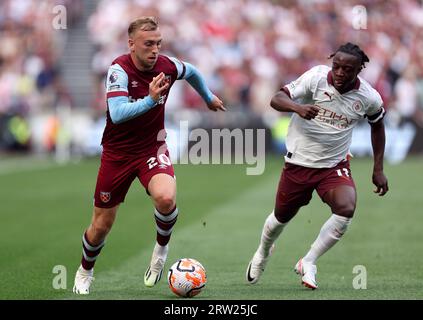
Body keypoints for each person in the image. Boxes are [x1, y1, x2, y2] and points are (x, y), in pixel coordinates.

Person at [73, 16, 225, 295]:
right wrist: (151, 100)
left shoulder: (167, 65)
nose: (155, 50)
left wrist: (207, 96)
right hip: (117, 154)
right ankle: (85, 270)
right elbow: (117, 115)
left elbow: (190, 71)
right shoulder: (119, 70)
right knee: (101, 225)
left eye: (158, 43)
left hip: (152, 147)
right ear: (131, 44)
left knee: (166, 198)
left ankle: (161, 251)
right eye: (148, 44)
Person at [246, 42, 388, 289]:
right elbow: (276, 98)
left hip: (334, 165)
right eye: (337, 66)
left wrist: (378, 168)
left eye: (347, 69)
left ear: (359, 70)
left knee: (346, 208)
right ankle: (262, 252)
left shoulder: (368, 97)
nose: (340, 73)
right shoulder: (316, 77)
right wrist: (298, 108)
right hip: (298, 162)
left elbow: (377, 125)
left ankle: (309, 261)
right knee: (280, 219)